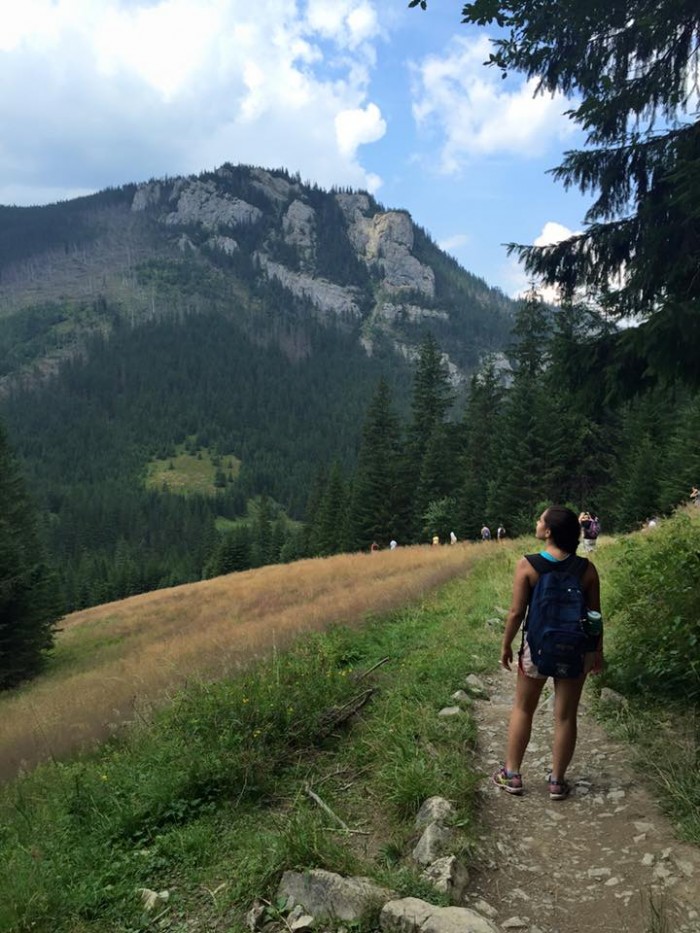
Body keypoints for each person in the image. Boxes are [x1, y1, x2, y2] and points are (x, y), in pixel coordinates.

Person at [493, 505, 602, 800]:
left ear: (549, 531)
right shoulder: (587, 569)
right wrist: (596, 653)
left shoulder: (528, 565)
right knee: (565, 717)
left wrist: (505, 645)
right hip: (575, 651)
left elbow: (516, 612)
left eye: (540, 519)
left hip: (537, 649)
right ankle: (556, 781)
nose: (537, 522)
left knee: (523, 708)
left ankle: (512, 775)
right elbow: (595, 617)